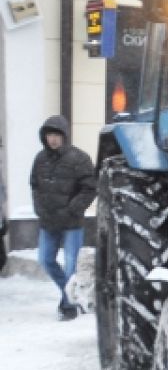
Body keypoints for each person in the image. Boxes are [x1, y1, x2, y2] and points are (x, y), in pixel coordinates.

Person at [30, 116, 96, 320]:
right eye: (49, 135)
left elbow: (90, 187)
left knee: (70, 266)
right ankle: (71, 295)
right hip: (48, 221)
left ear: (64, 136)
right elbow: (35, 185)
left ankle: (68, 306)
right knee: (46, 260)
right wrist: (39, 209)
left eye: (57, 135)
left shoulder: (79, 158)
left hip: (71, 223)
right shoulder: (40, 159)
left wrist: (72, 208)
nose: (53, 139)